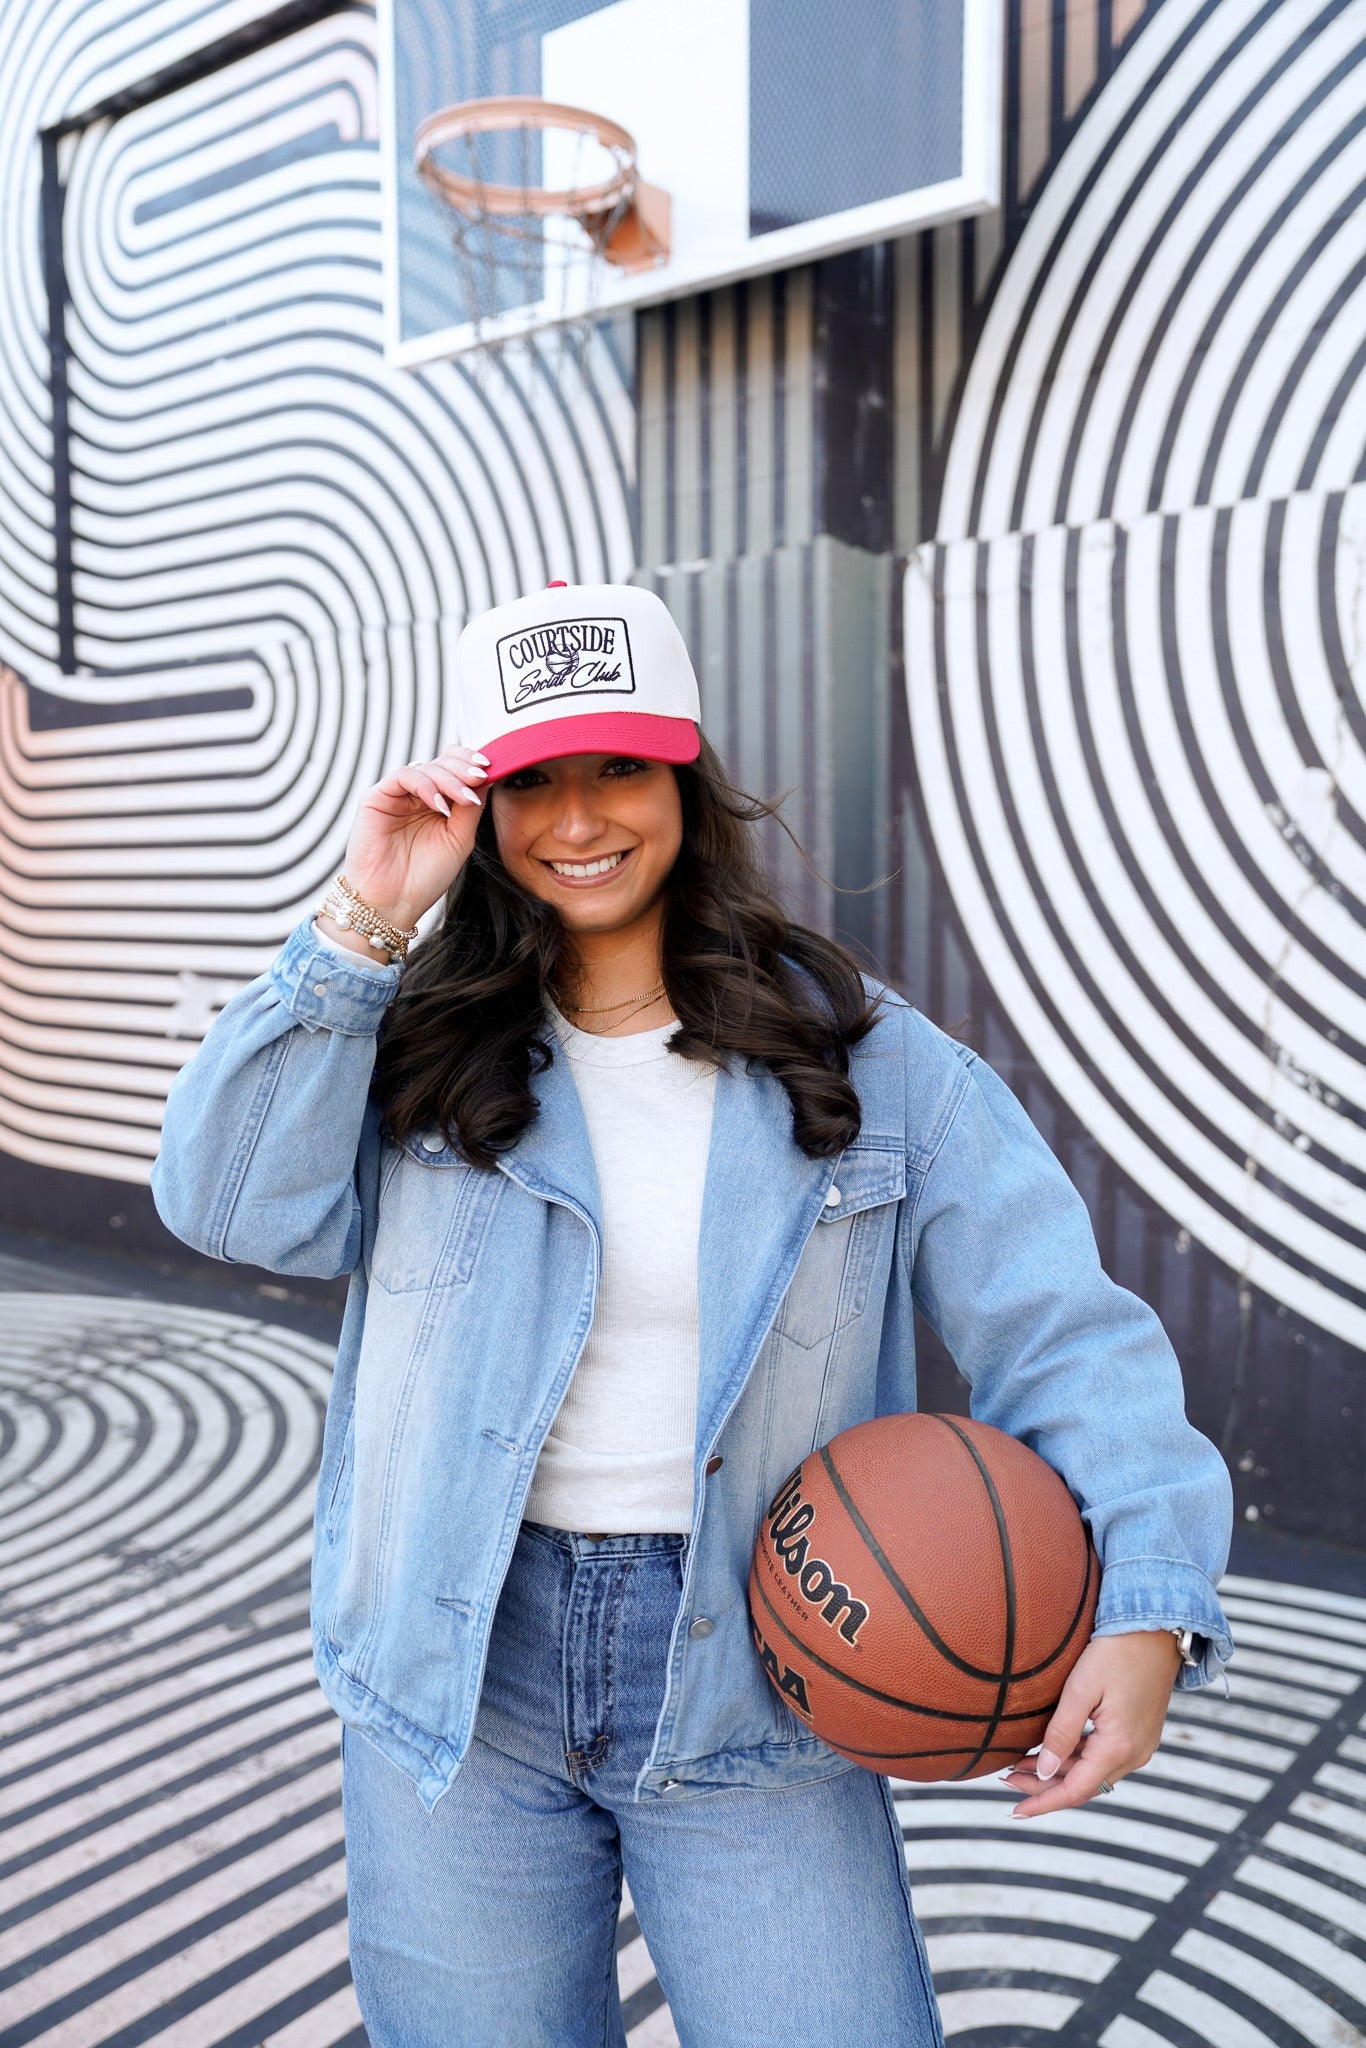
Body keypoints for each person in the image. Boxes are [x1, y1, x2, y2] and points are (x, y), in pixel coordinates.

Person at [152, 582, 1233, 2048]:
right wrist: (366, 919)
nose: (578, 817)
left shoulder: (866, 1060)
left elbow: (1063, 1330)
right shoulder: (411, 1043)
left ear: (685, 779)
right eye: (532, 779)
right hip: (461, 1671)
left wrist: (1149, 1607)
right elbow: (225, 1208)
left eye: (619, 767)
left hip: (765, 1657)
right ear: (483, 800)